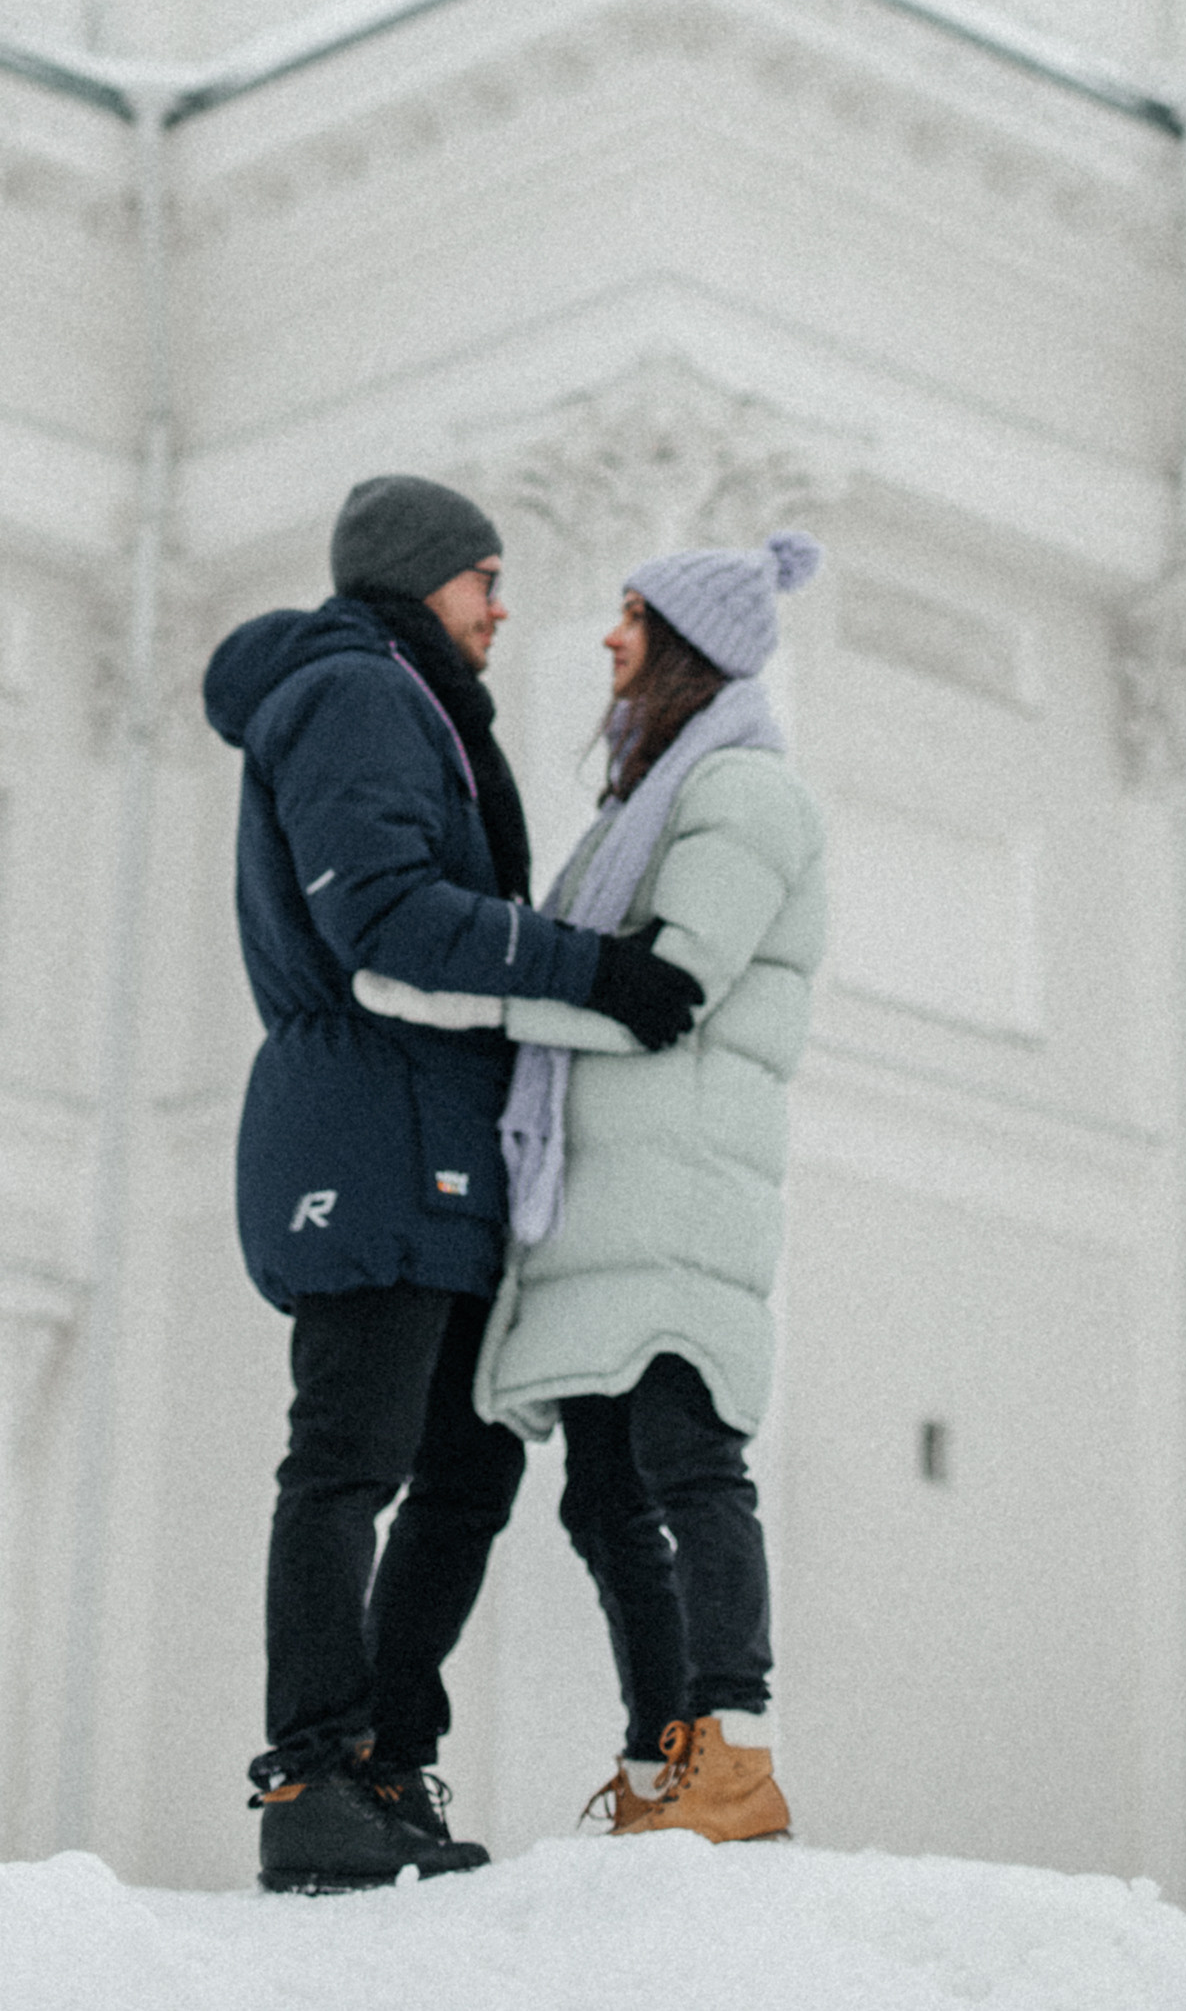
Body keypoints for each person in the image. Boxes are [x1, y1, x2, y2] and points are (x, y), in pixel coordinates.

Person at [202, 473, 704, 1896]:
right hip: (366, 1114)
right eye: (484, 579)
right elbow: (383, 918)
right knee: (348, 1455)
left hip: (426, 1124)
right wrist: (587, 970)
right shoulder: (355, 692)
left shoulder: (397, 696)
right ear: (423, 579)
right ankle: (310, 1771)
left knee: (470, 1458)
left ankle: (379, 1758)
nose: (500, 607)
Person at [357, 527, 825, 1842]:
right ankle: (661, 1758)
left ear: (690, 651)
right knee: (605, 1492)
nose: (609, 640)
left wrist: (477, 1002)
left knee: (686, 1460)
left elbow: (666, 992)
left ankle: (728, 1753)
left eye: (632, 620)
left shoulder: (741, 795)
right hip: (611, 1189)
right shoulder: (646, 803)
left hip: (672, 1185)